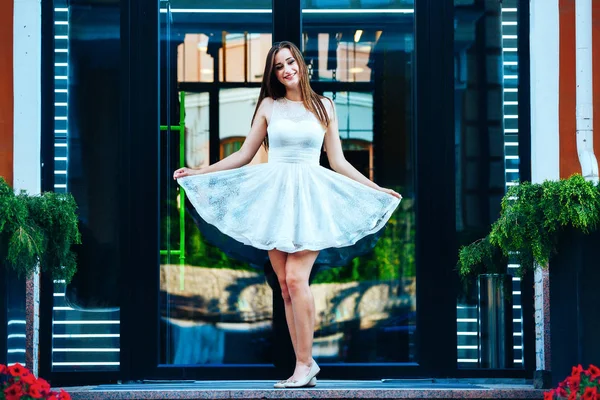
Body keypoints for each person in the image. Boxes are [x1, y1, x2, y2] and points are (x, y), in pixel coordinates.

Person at [173, 41, 402, 388]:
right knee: (284, 286)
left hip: (310, 198)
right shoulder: (269, 105)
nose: (286, 70)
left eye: (290, 62)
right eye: (279, 66)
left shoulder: (325, 106)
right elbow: (245, 154)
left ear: (301, 64)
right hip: (274, 197)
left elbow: (337, 161)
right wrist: (199, 171)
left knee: (297, 279)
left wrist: (376, 189)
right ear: (274, 73)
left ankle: (306, 364)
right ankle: (302, 366)